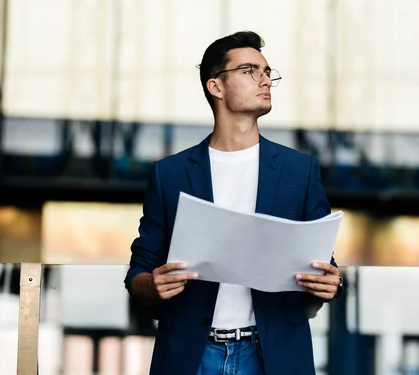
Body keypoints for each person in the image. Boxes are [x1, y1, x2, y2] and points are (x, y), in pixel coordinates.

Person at [124, 30, 343, 375]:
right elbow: (138, 272)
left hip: (273, 356)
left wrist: (331, 282)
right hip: (191, 356)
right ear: (216, 87)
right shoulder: (170, 174)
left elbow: (322, 263)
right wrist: (152, 285)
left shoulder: (299, 171)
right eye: (249, 71)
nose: (264, 80)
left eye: (267, 72)